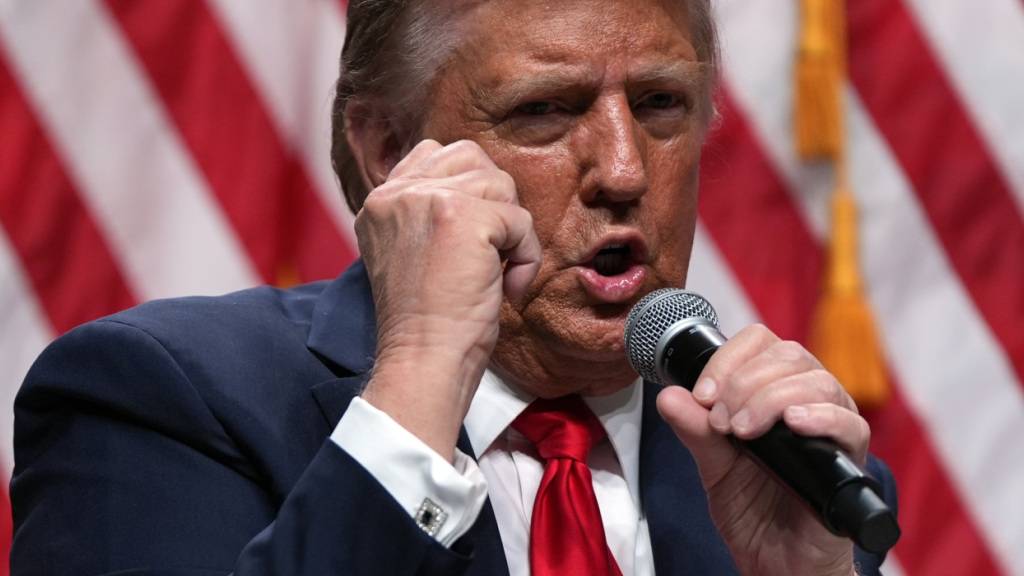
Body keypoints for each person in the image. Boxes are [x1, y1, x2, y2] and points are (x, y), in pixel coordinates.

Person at [10, 0, 897, 574]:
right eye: (545, 110)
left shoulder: (791, 476)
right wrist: (425, 368)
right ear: (391, 152)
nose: (625, 171)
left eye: (662, 105)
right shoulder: (158, 398)